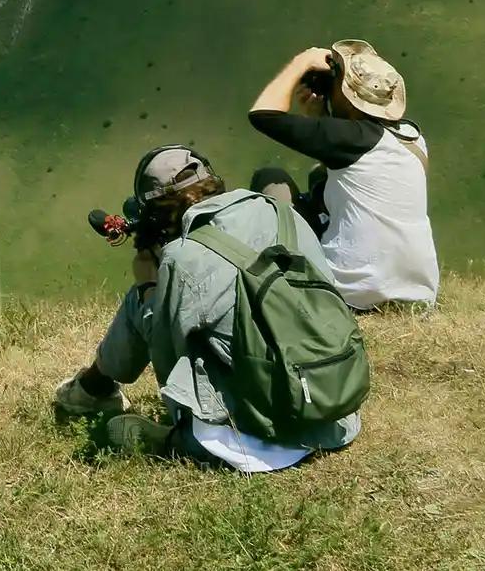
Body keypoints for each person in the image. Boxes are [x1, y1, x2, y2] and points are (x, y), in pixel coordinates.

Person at [52, 145, 360, 470]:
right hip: (335, 411)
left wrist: (147, 287)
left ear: (157, 210)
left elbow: (169, 364)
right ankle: (94, 390)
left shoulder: (182, 258)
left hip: (258, 445)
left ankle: (97, 394)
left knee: (140, 303)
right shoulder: (281, 212)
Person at [248, 40, 439, 311]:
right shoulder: (412, 136)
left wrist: (300, 62)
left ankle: (270, 289)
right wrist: (320, 117)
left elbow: (262, 115)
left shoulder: (349, 138)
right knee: (319, 179)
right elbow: (352, 172)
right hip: (417, 296)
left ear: (349, 99)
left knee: (271, 178)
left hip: (349, 297)